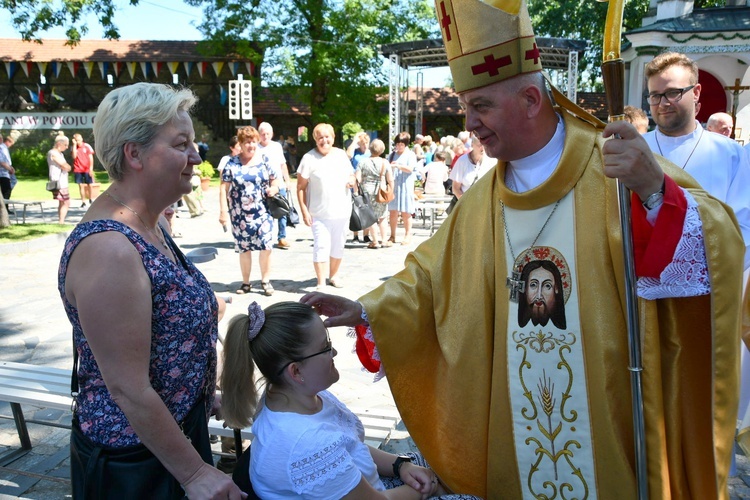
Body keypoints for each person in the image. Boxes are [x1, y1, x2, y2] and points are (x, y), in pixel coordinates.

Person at [300, 0, 744, 497]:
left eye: (481, 106)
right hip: (517, 425)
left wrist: (654, 192)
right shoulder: (487, 195)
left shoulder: (614, 166)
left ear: (532, 100)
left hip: (611, 418)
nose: (468, 122)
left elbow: (719, 239)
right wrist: (366, 307)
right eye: (467, 106)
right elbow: (428, 275)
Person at [57, 83, 242, 499]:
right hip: (136, 462)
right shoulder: (109, 249)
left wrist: (199, 388)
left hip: (167, 439)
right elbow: (128, 388)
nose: (197, 156)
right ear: (133, 153)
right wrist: (196, 474)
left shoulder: (148, 223)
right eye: (182, 144)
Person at [219, 301, 461, 498]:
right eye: (325, 347)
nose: (334, 352)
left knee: (450, 468)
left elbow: (349, 446)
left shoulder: (293, 395)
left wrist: (401, 465)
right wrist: (424, 490)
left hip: (366, 488)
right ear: (296, 371)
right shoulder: (308, 444)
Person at [643, 51, 750, 268]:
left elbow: (744, 230)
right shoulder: (637, 150)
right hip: (643, 285)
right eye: (655, 95)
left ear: (696, 92)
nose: (663, 103)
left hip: (708, 285)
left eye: (673, 93)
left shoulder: (730, 154)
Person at [219, 125, 280, 296]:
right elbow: (223, 189)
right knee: (244, 249)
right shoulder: (231, 163)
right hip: (239, 214)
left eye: (253, 142)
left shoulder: (265, 160)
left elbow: (275, 182)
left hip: (263, 212)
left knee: (266, 245)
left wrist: (273, 190)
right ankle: (246, 282)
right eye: (247, 142)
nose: (251, 146)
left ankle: (265, 280)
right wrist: (223, 211)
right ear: (240, 143)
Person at [296, 123, 355, 290]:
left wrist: (352, 179)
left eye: (327, 136)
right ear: (315, 140)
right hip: (319, 213)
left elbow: (351, 174)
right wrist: (304, 210)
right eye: (320, 137)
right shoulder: (309, 158)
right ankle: (321, 281)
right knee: (321, 246)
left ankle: (334, 276)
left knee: (338, 245)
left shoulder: (341, 155)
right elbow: (300, 187)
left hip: (342, 211)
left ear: (333, 137)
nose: (324, 140)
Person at [258, 122, 292, 249]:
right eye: (263, 134)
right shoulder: (256, 148)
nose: (265, 136)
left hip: (279, 184)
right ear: (259, 135)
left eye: (267, 134)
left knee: (282, 210)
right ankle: (265, 236)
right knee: (265, 212)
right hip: (263, 186)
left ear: (271, 134)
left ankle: (281, 238)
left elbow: (283, 164)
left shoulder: (277, 146)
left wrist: (287, 180)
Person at [356, 138, 393, 248]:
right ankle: (384, 240)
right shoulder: (385, 162)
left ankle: (375, 241)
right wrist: (390, 191)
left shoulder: (362, 162)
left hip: (367, 191)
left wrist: (356, 191)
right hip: (380, 191)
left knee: (370, 216)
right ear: (382, 150)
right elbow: (390, 179)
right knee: (383, 216)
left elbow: (358, 178)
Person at [385, 131, 418, 247]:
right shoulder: (392, 154)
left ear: (406, 144)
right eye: (397, 144)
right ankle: (392, 235)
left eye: (401, 145)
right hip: (394, 185)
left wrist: (398, 165)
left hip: (405, 185)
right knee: (393, 212)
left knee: (406, 212)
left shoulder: (411, 155)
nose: (398, 147)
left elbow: (410, 169)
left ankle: (408, 234)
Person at [449, 135, 496, 199]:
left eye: (484, 145)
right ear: (472, 145)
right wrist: (464, 203)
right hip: (467, 204)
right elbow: (455, 188)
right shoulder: (462, 161)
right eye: (479, 145)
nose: (482, 148)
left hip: (486, 203)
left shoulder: (492, 160)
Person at [47, 134, 72, 224]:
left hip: (62, 181)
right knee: (66, 202)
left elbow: (67, 166)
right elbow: (65, 166)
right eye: (65, 145)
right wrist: (67, 166)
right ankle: (61, 221)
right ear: (59, 144)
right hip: (59, 181)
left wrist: (67, 167)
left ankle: (61, 221)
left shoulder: (60, 154)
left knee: (62, 202)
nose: (66, 147)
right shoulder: (53, 153)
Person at [71, 133, 96, 208]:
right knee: (81, 185)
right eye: (76, 140)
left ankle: (91, 199)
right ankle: (83, 201)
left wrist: (91, 168)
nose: (78, 142)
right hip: (78, 169)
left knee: (90, 185)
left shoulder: (87, 146)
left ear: (81, 139)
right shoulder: (73, 147)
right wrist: (74, 145)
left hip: (86, 168)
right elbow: (74, 156)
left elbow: (91, 157)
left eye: (78, 140)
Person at [0, 133, 15, 213]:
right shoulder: (1, 148)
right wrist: (9, 169)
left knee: (7, 189)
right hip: (2, 173)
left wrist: (10, 167)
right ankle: (4, 208)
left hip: (5, 172)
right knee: (6, 190)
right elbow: (2, 162)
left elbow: (6, 160)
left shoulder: (4, 148)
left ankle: (5, 207)